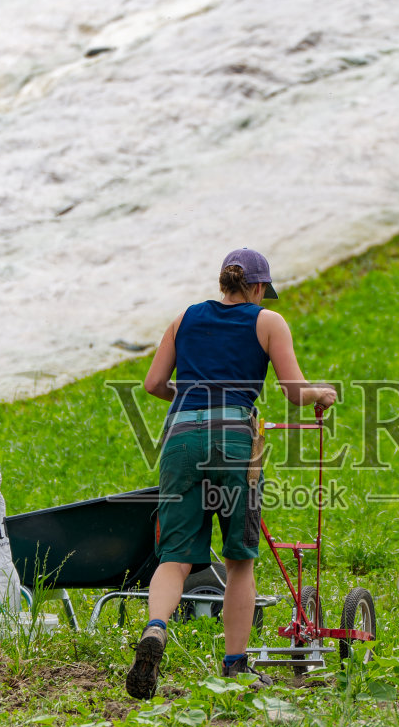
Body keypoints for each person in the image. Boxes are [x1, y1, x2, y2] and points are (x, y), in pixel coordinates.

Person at [125, 248, 337, 701]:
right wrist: (322, 393)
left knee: (175, 557)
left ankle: (156, 630)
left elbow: (153, 384)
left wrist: (197, 394)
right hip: (234, 440)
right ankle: (236, 667)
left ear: (224, 283)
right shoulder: (267, 322)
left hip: (181, 439)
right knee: (239, 559)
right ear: (258, 288)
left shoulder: (184, 318)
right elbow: (293, 391)